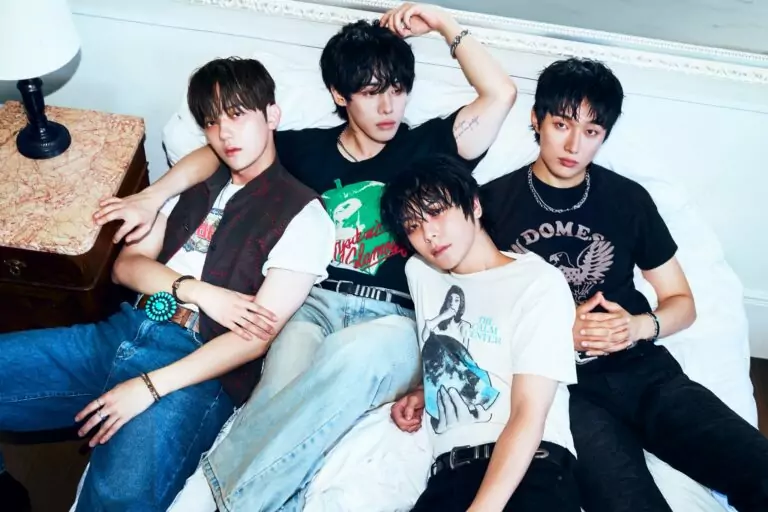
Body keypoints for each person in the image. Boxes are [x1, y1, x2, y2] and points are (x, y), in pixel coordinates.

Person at [92, 4, 517, 511]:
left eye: (398, 90)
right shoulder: (302, 151)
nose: (389, 107)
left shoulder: (428, 147)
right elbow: (217, 152)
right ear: (339, 95)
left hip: (396, 316)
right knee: (278, 391)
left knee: (354, 356)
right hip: (313, 305)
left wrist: (444, 22)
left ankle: (227, 501)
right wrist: (152, 194)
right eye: (371, 92)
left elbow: (501, 94)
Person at [0, 57, 334, 512]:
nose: (225, 134)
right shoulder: (196, 179)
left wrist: (150, 386)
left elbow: (253, 339)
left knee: (120, 496)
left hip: (194, 370)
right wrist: (198, 291)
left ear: (272, 115)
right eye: (212, 122)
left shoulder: (304, 214)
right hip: (123, 330)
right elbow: (127, 267)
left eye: (238, 115)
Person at [479, 57, 768, 512]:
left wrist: (639, 327)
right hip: (564, 389)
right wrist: (558, 334)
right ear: (536, 120)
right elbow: (478, 317)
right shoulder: (492, 204)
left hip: (644, 371)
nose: (574, 145)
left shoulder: (627, 199)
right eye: (562, 125)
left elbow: (681, 302)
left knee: (758, 465)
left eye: (591, 131)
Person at [379, 156, 580, 511]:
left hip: (529, 470)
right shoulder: (421, 273)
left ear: (474, 205)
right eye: (412, 226)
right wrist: (426, 389)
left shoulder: (537, 282)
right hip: (447, 478)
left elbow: (529, 412)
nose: (428, 234)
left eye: (437, 212)